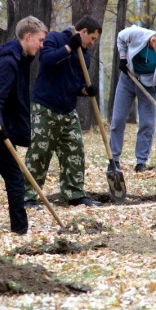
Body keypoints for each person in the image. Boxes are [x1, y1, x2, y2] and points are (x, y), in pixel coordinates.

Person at [0, 16, 48, 235]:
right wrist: (0, 128)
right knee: (13, 179)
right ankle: (19, 229)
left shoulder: (19, 59)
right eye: (40, 41)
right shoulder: (8, 62)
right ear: (28, 36)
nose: (41, 46)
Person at [23, 15, 103, 209]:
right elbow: (47, 60)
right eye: (91, 38)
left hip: (67, 110)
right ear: (83, 32)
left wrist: (86, 91)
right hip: (45, 106)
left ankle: (74, 194)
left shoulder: (84, 56)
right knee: (40, 152)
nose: (92, 43)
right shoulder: (55, 38)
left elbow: (76, 85)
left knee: (74, 150)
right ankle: (28, 197)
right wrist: (69, 47)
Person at [109, 26, 156, 172]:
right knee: (118, 119)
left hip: (148, 86)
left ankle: (141, 162)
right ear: (153, 41)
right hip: (128, 79)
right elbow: (121, 36)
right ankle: (113, 159)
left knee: (147, 123)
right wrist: (122, 57)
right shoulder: (137, 34)